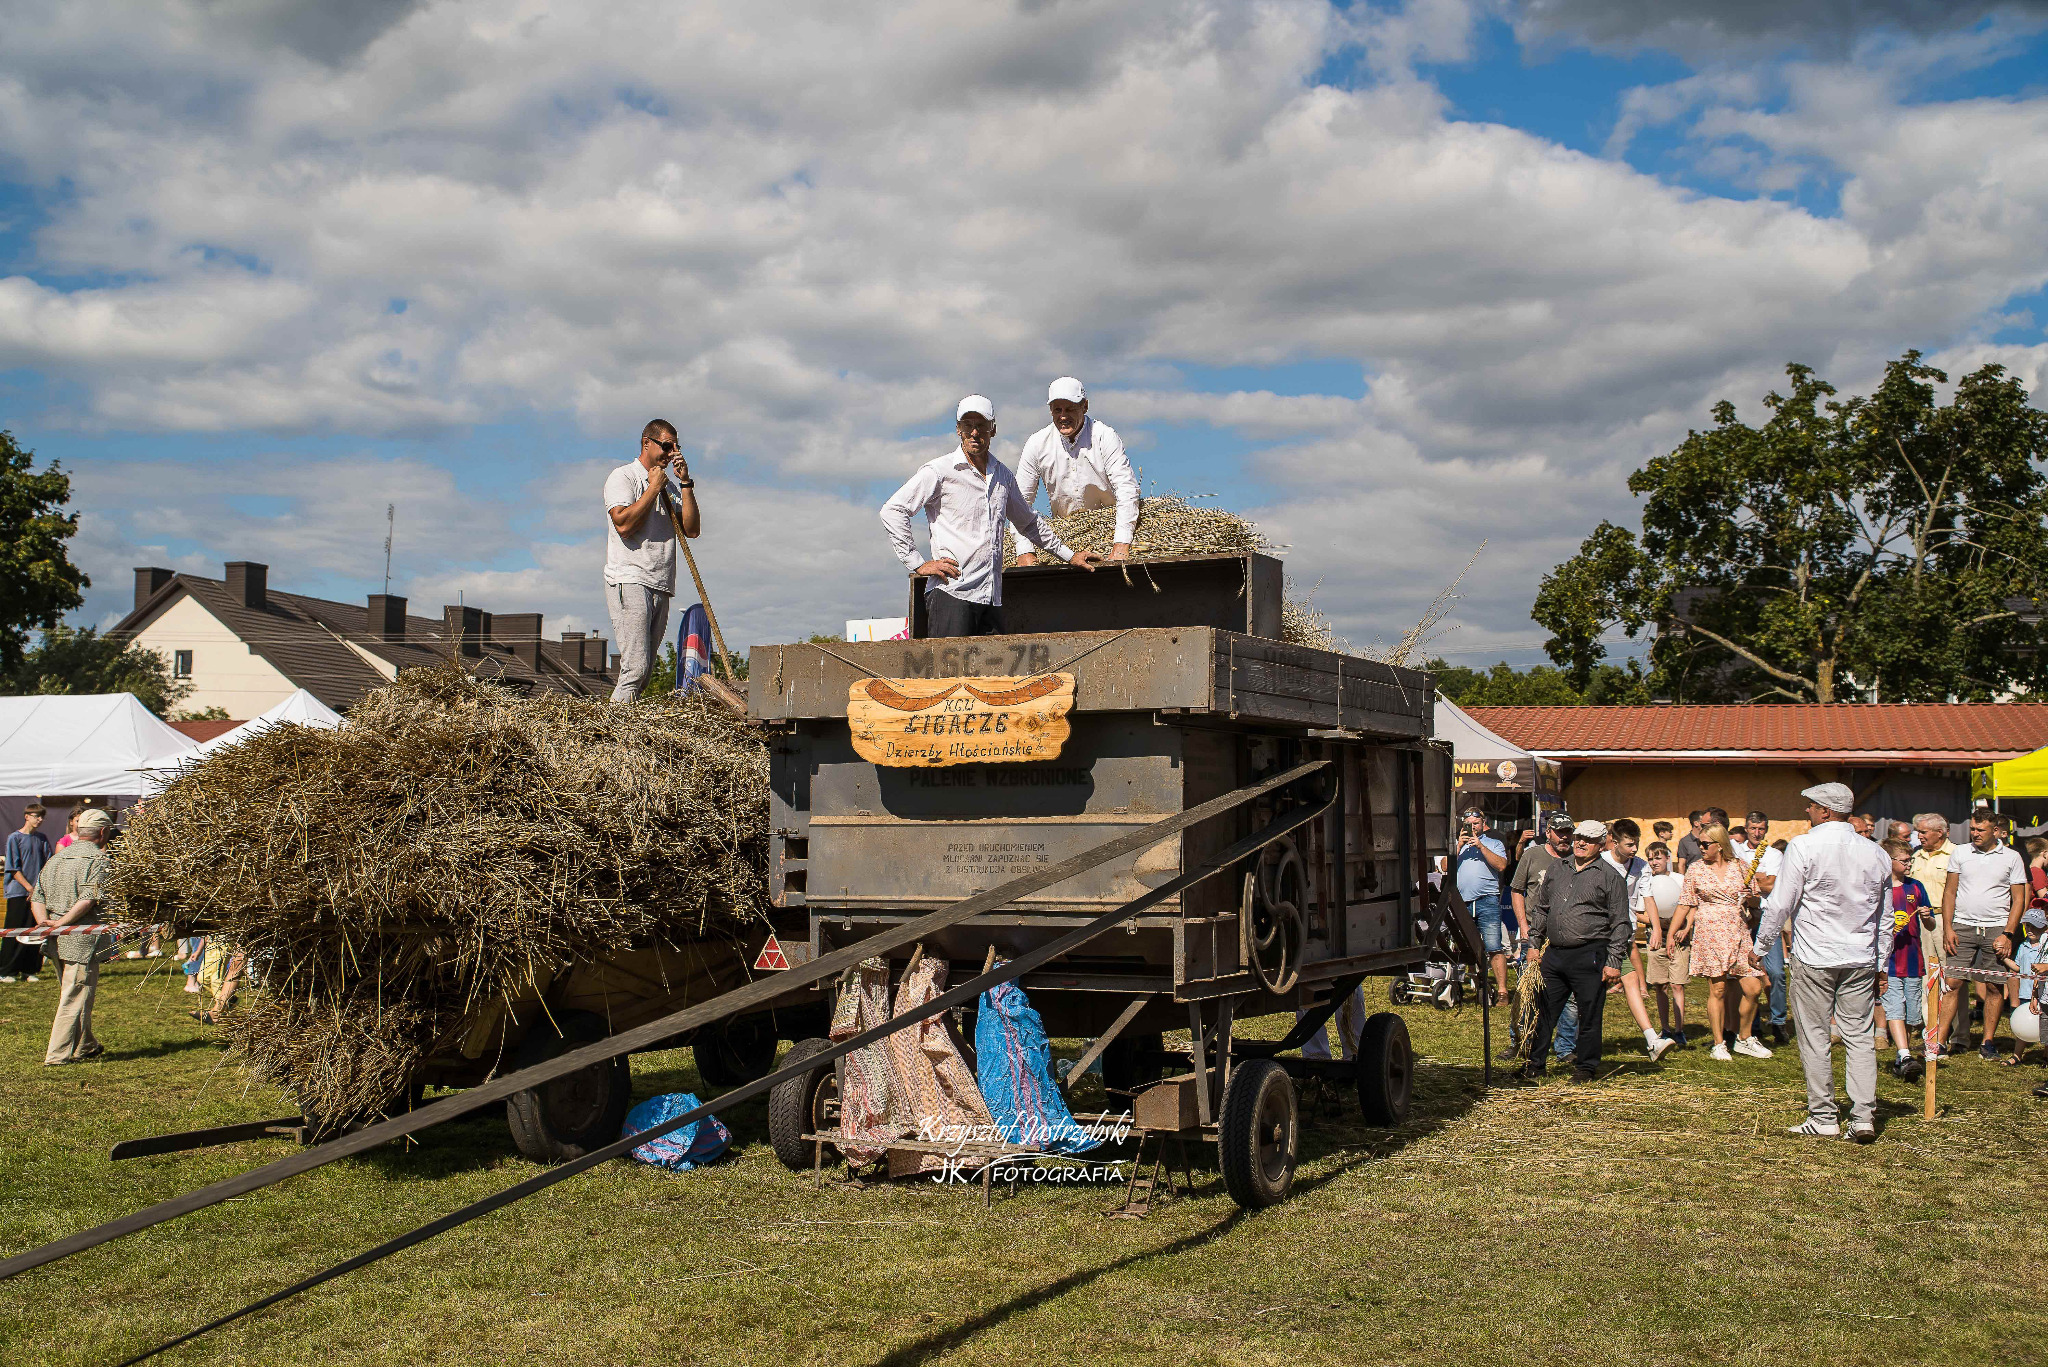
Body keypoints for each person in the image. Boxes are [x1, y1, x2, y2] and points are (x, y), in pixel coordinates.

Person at [881, 396, 1101, 637]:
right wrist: (918, 563)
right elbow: (893, 510)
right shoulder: (939, 471)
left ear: (993, 429)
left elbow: (1028, 522)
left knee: (994, 675)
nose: (975, 432)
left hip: (991, 599)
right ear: (958, 430)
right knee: (949, 675)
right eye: (968, 425)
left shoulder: (1003, 476)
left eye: (982, 425)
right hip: (953, 595)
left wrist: (1070, 556)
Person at [1751, 783, 1892, 1140]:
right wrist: (1881, 962)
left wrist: (1761, 944)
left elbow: (1781, 902)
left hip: (1815, 954)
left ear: (1826, 811)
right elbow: (1885, 916)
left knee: (1815, 1036)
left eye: (1811, 807)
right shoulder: (1876, 853)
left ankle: (1824, 1116)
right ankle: (1862, 1117)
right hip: (1860, 955)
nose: (1807, 812)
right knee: (1859, 1036)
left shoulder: (1803, 845)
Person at [1507, 820, 1631, 1085]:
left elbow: (1621, 923)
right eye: (1578, 837)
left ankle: (1585, 1068)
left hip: (1590, 953)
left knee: (1589, 1014)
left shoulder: (1610, 876)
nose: (1581, 842)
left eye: (1588, 839)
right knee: (1543, 1011)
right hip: (1554, 953)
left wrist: (1613, 962)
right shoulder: (1557, 868)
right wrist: (1534, 945)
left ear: (1601, 844)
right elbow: (1541, 909)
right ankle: (1535, 1065)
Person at [603, 418, 703, 702]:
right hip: (630, 578)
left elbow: (692, 529)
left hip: (660, 583)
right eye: (666, 445)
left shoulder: (668, 487)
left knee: (645, 673)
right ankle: (614, 732)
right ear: (647, 442)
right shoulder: (624, 477)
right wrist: (652, 488)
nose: (671, 452)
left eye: (676, 446)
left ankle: (625, 726)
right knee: (635, 668)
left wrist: (684, 482)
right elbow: (623, 524)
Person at [1011, 377, 1140, 567]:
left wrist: (1121, 543)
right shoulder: (1037, 443)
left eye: (1070, 408)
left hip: (1110, 523)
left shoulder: (1104, 436)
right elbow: (1020, 502)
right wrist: (1025, 550)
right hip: (1066, 532)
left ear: (1085, 406)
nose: (1063, 416)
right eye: (1057, 409)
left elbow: (1126, 488)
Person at [1936, 807, 2029, 1061]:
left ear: (1995, 831)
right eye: (1973, 829)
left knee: (1994, 987)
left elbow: (2018, 899)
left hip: (1997, 928)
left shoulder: (2011, 857)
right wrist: (1948, 928)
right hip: (1963, 926)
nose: (1975, 833)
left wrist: (2008, 934)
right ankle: (1940, 1042)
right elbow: (1950, 892)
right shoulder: (1961, 853)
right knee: (1952, 983)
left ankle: (1988, 1042)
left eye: (1981, 830)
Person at [1680, 822, 1773, 1061]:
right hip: (1710, 931)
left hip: (1738, 932)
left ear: (1719, 846)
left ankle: (1744, 1038)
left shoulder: (1741, 867)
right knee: (1718, 988)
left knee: (1753, 988)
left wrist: (1748, 897)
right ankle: (1719, 1043)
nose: (1700, 847)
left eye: (1705, 843)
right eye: (1699, 843)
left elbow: (1754, 901)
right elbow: (1686, 901)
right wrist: (1672, 932)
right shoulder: (1696, 869)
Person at [32, 807, 115, 1066]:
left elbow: (37, 897)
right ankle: (57, 1056)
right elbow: (88, 900)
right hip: (81, 939)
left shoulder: (56, 859)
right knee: (74, 996)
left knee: (74, 993)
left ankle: (86, 1045)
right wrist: (61, 923)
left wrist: (46, 924)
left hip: (55, 937)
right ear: (103, 832)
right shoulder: (99, 861)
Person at [1876, 837, 1934, 1079]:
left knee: (1912, 1014)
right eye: (1905, 860)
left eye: (1910, 860)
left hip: (1912, 959)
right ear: (1889, 861)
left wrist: (1927, 915)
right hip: (1888, 962)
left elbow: (1930, 925)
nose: (1909, 864)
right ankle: (1904, 1053)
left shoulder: (1916, 887)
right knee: (1894, 1008)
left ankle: (1903, 1055)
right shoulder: (1879, 887)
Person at [1730, 811, 1789, 1045]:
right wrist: (1758, 879)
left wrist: (1750, 880)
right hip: (1743, 915)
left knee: (1775, 971)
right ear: (1746, 828)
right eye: (1753, 828)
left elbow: (1770, 884)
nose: (1757, 833)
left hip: (1767, 914)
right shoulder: (1735, 850)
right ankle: (1750, 1023)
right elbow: (1739, 881)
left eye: (1761, 829)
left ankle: (1778, 1020)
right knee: (1745, 972)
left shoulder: (1774, 853)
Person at [1909, 814, 1965, 1055]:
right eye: (1918, 832)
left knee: (1953, 978)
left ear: (1940, 832)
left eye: (1923, 832)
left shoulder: (1957, 854)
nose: (1919, 836)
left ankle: (1960, 1035)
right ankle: (1931, 1033)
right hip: (1921, 921)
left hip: (1947, 920)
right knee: (1927, 977)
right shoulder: (1916, 855)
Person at [1453, 806, 1511, 1005]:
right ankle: (1462, 985)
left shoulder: (1493, 842)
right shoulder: (1457, 845)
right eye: (1468, 825)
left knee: (1494, 946)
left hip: (1487, 899)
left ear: (1483, 823)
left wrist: (1480, 846)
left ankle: (1503, 991)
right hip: (1463, 901)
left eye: (1475, 824)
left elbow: (1502, 865)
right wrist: (1458, 846)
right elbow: (1444, 867)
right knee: (1462, 946)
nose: (1472, 828)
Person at [1641, 840, 1691, 1047]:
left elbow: (1691, 906)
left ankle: (1679, 1030)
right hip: (1656, 937)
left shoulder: (1680, 879)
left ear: (1668, 859)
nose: (1654, 863)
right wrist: (1657, 924)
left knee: (1677, 984)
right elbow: (1639, 913)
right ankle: (1665, 1028)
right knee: (1660, 985)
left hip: (1679, 936)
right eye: (1650, 859)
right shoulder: (1646, 882)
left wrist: (1685, 928)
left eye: (1658, 858)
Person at [2, 804, 51, 984]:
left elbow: (47, 865)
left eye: (41, 817)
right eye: (36, 816)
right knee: (14, 931)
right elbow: (13, 868)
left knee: (34, 932)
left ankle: (30, 969)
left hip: (38, 893)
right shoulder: (14, 838)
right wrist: (29, 888)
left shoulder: (42, 839)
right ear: (27, 816)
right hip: (18, 893)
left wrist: (38, 889)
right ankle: (7, 970)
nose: (39, 820)